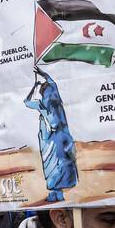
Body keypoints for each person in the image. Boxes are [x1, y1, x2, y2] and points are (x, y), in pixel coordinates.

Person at [25, 66, 78, 201]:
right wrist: (37, 83)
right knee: (53, 164)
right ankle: (55, 192)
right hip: (49, 140)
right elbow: (26, 102)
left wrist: (41, 77)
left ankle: (57, 192)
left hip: (56, 139)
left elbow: (28, 100)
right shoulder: (45, 104)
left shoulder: (53, 103)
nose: (47, 93)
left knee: (58, 164)